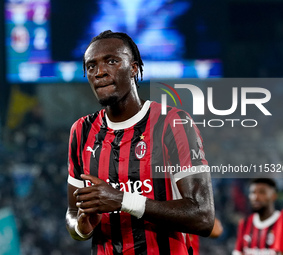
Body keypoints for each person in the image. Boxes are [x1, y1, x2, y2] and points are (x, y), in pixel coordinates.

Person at [65, 30, 215, 254]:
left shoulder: (173, 123)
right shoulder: (81, 131)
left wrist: (123, 200)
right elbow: (72, 212)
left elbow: (202, 216)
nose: (100, 72)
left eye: (112, 61)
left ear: (134, 68)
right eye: (91, 66)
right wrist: (80, 228)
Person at [232, 178, 280, 255]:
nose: (255, 197)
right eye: (252, 192)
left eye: (262, 192)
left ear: (273, 196)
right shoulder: (244, 224)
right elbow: (238, 252)